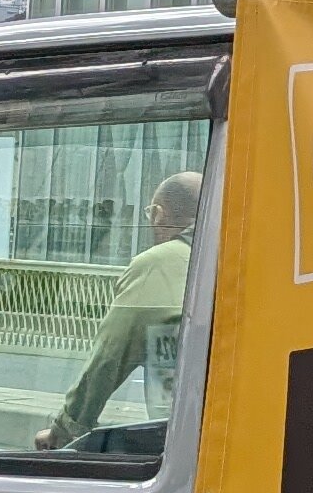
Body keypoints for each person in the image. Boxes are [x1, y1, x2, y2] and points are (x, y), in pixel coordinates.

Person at [44, 168, 198, 450]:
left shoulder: (157, 263)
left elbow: (110, 356)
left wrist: (65, 430)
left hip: (184, 441)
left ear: (158, 215)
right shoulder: (239, 257)